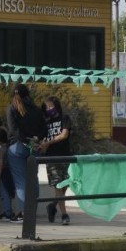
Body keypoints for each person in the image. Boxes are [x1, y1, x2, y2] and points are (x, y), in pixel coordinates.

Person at [5, 83, 47, 215]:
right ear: (28, 94)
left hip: (17, 147)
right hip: (34, 147)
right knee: (33, 178)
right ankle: (33, 210)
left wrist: (24, 140)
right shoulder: (36, 109)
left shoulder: (12, 108)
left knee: (21, 182)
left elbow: (13, 130)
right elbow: (44, 129)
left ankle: (26, 213)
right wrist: (35, 139)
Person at [39, 95, 72, 225]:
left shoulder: (65, 119)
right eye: (46, 107)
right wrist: (42, 144)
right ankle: (64, 215)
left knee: (66, 184)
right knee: (59, 185)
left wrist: (49, 143)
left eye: (51, 106)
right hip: (52, 157)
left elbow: (64, 134)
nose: (49, 109)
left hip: (65, 155)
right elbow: (42, 139)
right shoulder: (45, 123)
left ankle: (52, 205)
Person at [0, 124, 20, 222]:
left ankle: (7, 213)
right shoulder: (10, 147)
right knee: (9, 193)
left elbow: (0, 164)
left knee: (4, 194)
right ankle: (8, 211)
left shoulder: (1, 150)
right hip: (11, 172)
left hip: (4, 174)